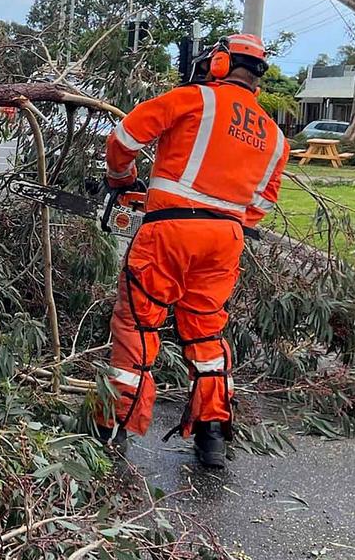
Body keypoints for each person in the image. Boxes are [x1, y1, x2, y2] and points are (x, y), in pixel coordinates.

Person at [95, 33, 289, 468]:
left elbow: (123, 139)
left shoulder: (192, 99)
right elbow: (260, 204)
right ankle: (212, 434)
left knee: (139, 325)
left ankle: (114, 430)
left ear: (219, 63)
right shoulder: (275, 137)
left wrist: (123, 181)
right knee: (205, 332)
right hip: (226, 242)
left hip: (170, 234)